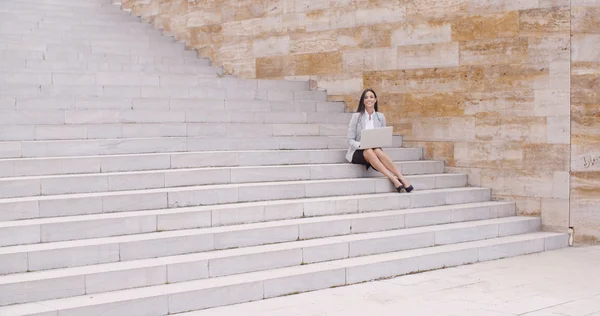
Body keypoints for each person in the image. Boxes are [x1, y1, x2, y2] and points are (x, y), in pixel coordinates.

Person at [346, 88, 414, 193]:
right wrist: (362, 145)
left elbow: (382, 137)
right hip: (358, 151)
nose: (369, 99)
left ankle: (402, 178)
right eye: (366, 97)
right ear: (363, 101)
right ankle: (393, 178)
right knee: (369, 150)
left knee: (377, 150)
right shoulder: (356, 117)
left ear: (375, 100)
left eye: (371, 97)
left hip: (375, 149)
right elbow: (350, 140)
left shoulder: (380, 117)